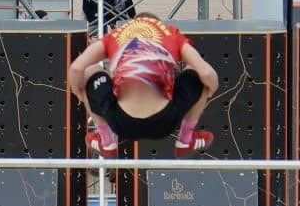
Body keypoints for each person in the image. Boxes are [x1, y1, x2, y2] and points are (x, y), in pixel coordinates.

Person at [67, 15, 222, 153]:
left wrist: (80, 94)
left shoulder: (116, 35)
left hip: (120, 120)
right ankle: (186, 140)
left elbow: (76, 68)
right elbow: (207, 73)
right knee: (196, 70)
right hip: (165, 120)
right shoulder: (171, 34)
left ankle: (106, 141)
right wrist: (210, 90)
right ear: (157, 25)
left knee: (90, 70)